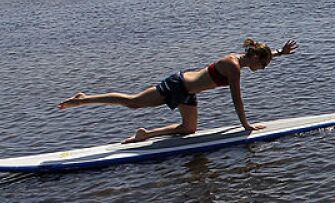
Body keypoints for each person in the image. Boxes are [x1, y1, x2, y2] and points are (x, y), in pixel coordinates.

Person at [57, 38, 298, 143]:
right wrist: (246, 125)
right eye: (264, 64)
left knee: (189, 129)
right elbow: (237, 100)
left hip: (188, 92)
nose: (264, 68)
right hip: (177, 85)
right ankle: (84, 99)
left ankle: (145, 135)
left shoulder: (245, 60)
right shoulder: (233, 66)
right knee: (133, 102)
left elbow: (266, 55)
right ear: (254, 57)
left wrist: (280, 52)